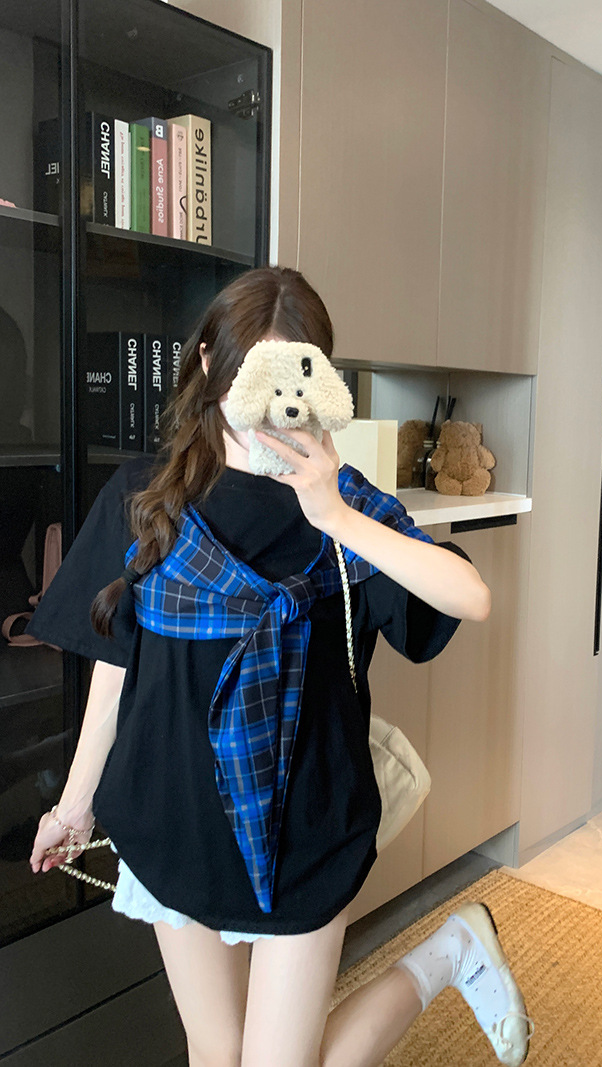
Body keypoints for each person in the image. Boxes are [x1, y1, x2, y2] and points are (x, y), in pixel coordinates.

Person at [27, 266, 534, 1067]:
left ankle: (450, 952)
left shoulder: (348, 508)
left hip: (304, 829)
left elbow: (470, 597)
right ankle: (458, 949)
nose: (268, 403)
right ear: (209, 365)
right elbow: (119, 663)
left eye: (292, 376)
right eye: (249, 372)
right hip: (174, 819)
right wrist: (74, 805)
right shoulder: (146, 497)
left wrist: (334, 513)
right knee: (214, 1049)